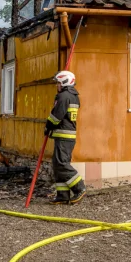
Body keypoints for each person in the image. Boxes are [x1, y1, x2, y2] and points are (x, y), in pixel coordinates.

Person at [46, 71, 84, 204]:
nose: (57, 85)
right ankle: (63, 195)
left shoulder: (63, 97)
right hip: (66, 136)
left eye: (58, 83)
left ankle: (79, 188)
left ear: (64, 83)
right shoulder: (73, 96)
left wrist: (48, 125)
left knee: (61, 164)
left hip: (63, 136)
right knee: (58, 165)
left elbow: (57, 116)